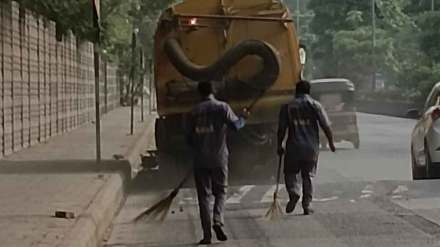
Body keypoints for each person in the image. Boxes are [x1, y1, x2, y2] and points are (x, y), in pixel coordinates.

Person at [186, 81, 246, 245]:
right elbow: (236, 126)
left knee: (204, 197)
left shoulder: (193, 112)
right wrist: (243, 118)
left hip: (200, 160)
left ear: (199, 93)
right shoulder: (222, 108)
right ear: (214, 91)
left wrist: (198, 148)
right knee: (220, 191)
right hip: (219, 158)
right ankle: (217, 219)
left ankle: (207, 236)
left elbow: (188, 138)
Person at [277, 80, 335, 215]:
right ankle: (307, 205)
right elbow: (326, 126)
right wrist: (331, 143)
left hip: (293, 147)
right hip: (311, 147)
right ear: (309, 91)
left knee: (290, 172)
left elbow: (281, 129)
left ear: (296, 91)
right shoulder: (315, 105)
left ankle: (294, 192)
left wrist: (279, 145)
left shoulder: (287, 107)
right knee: (308, 176)